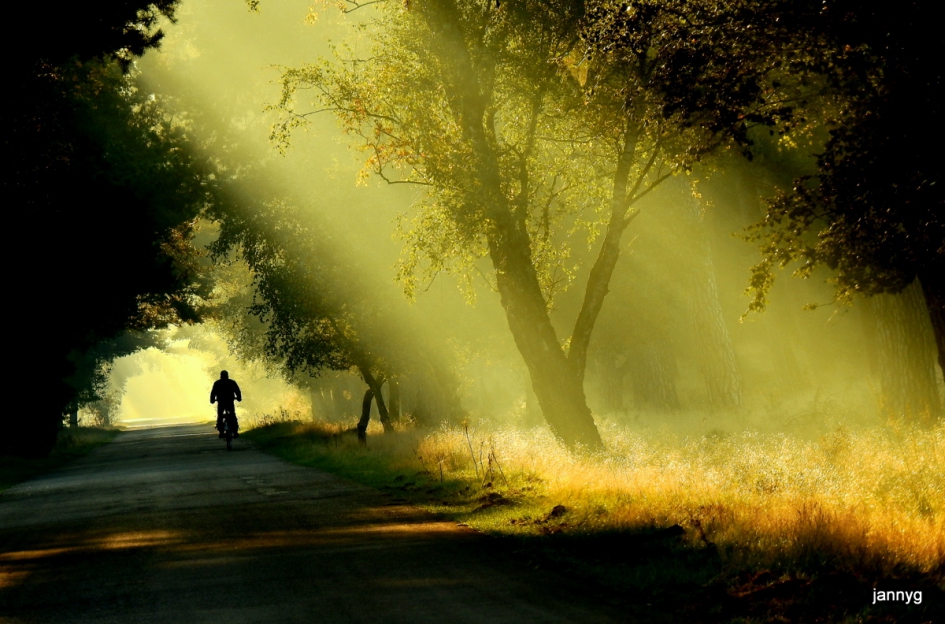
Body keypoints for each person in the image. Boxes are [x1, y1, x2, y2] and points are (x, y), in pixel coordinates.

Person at [210, 370, 242, 438]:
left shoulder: (217, 383)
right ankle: (235, 431)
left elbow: (213, 392)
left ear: (220, 375)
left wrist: (212, 400)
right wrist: (239, 398)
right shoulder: (232, 382)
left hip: (221, 402)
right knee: (232, 415)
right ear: (228, 375)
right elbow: (237, 391)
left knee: (220, 416)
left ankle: (221, 431)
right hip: (230, 402)